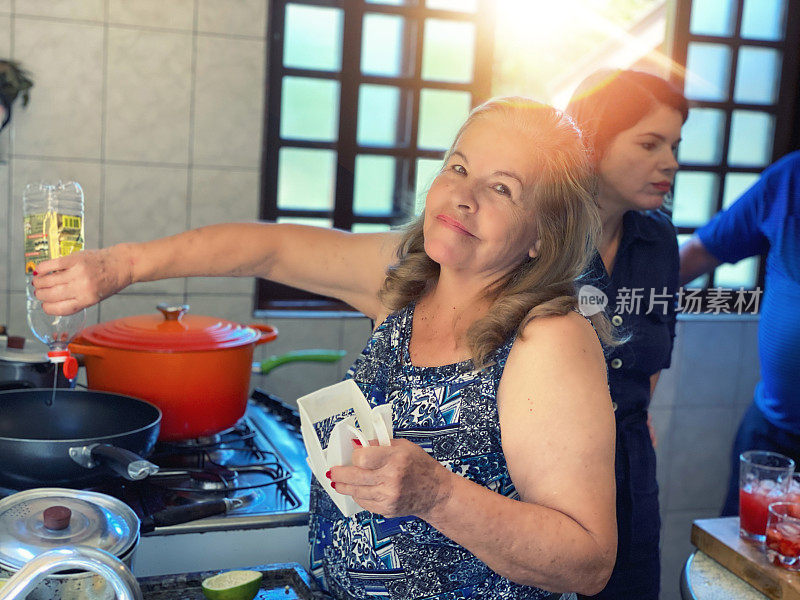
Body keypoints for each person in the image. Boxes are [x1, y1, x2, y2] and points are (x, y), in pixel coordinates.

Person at [32, 98, 617, 599]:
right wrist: (120, 266)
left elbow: (587, 561)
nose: (465, 196)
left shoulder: (550, 340)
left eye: (502, 188)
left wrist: (438, 495)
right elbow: (270, 250)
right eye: (459, 167)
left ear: (545, 233)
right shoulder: (409, 281)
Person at [565, 69, 688, 600]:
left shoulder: (658, 235)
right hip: (536, 459)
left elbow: (656, 348)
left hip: (629, 462)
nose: (671, 163)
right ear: (592, 140)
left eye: (675, 146)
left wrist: (631, 414)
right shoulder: (538, 234)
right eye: (649, 143)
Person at [680, 150, 800, 517]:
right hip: (773, 433)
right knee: (739, 563)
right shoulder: (791, 177)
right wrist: (615, 302)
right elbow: (700, 252)